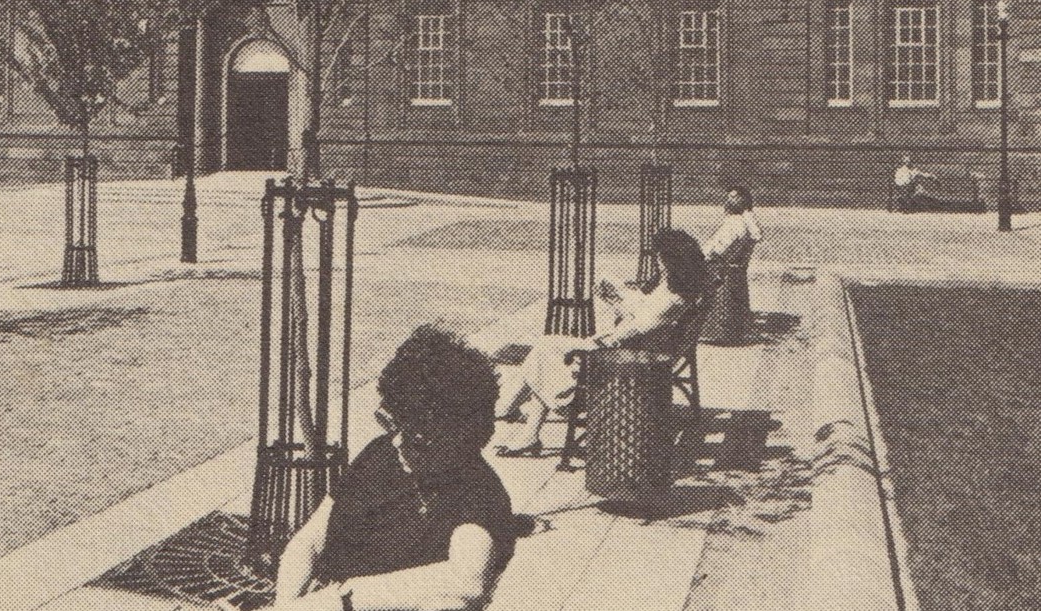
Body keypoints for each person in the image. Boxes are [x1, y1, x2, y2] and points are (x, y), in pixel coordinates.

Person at [271, 326, 515, 611]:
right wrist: (285, 605)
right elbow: (310, 540)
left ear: (455, 438)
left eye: (416, 437)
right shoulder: (381, 453)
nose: (397, 440)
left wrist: (343, 599)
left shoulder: (477, 490)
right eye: (393, 424)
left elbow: (466, 582)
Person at [491, 229, 713, 456]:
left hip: (621, 362)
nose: (657, 262)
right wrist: (615, 300)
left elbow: (636, 329)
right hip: (633, 353)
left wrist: (602, 337)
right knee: (546, 347)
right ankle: (517, 419)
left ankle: (515, 419)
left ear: (670, 261)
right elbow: (642, 321)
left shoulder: (671, 299)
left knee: (545, 353)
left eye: (660, 257)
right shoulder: (676, 291)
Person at [700, 187, 764, 343]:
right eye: (729, 197)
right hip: (729, 266)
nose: (729, 200)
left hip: (721, 266)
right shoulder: (742, 221)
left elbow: (721, 249)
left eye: (734, 197)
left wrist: (702, 257)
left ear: (744, 200)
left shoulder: (736, 223)